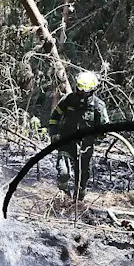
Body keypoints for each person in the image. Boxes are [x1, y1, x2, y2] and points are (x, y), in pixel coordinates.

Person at [47, 71, 109, 200]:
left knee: (82, 177)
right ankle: (63, 195)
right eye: (79, 88)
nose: (81, 92)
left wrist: (99, 133)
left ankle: (78, 200)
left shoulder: (98, 106)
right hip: (66, 142)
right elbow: (55, 117)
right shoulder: (68, 100)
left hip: (85, 147)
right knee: (63, 173)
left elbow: (104, 129)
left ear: (92, 90)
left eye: (85, 90)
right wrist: (54, 134)